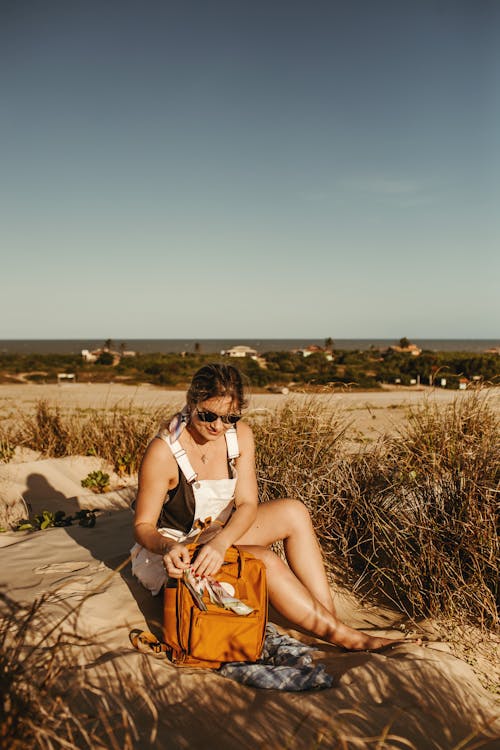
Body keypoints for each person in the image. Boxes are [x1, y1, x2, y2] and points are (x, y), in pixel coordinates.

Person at [132, 363, 412, 651]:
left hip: (218, 536)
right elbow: (143, 527)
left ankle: (328, 619)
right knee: (265, 559)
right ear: (191, 403)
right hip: (176, 552)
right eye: (208, 415)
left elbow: (247, 504)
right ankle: (346, 638)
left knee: (294, 511)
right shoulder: (164, 451)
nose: (218, 426)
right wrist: (168, 549)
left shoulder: (239, 436)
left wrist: (222, 543)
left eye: (230, 417)